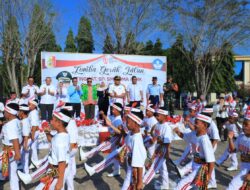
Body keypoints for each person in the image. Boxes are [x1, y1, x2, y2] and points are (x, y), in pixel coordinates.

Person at [174, 113, 215, 190]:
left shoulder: (205, 140)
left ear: (205, 125)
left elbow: (211, 161)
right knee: (194, 186)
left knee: (182, 184)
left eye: (197, 123)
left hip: (201, 167)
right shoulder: (194, 133)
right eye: (195, 122)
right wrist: (177, 131)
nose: (194, 125)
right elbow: (184, 136)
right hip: (193, 163)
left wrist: (208, 177)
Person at [143, 107, 173, 189]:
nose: (156, 117)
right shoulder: (157, 125)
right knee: (163, 168)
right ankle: (165, 185)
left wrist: (167, 153)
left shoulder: (166, 127)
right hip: (157, 148)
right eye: (156, 115)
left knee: (155, 167)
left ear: (164, 116)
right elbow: (154, 135)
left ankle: (143, 182)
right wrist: (152, 133)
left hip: (162, 150)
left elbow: (167, 142)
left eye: (158, 115)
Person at [121, 108, 147, 190]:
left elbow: (139, 164)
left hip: (136, 171)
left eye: (128, 122)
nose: (126, 124)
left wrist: (139, 182)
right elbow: (126, 141)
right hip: (131, 169)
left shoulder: (137, 140)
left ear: (136, 123)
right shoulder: (131, 134)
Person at [226, 111, 250, 189]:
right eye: (243, 124)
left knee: (232, 186)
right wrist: (230, 139)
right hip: (244, 168)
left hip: (247, 170)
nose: (243, 126)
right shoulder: (241, 136)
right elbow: (233, 150)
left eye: (246, 124)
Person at [1, 103, 22, 189]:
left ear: (9, 113)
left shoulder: (10, 125)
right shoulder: (17, 121)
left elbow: (15, 139)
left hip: (10, 151)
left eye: (5, 112)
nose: (3, 114)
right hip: (14, 150)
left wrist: (17, 153)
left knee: (11, 170)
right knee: (12, 172)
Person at [18, 104, 31, 174]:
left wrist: (25, 145)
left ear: (22, 112)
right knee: (24, 158)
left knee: (25, 158)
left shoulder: (25, 121)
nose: (18, 113)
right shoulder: (24, 120)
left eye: (19, 111)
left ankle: (26, 173)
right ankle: (25, 171)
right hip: (25, 140)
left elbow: (26, 135)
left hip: (26, 141)